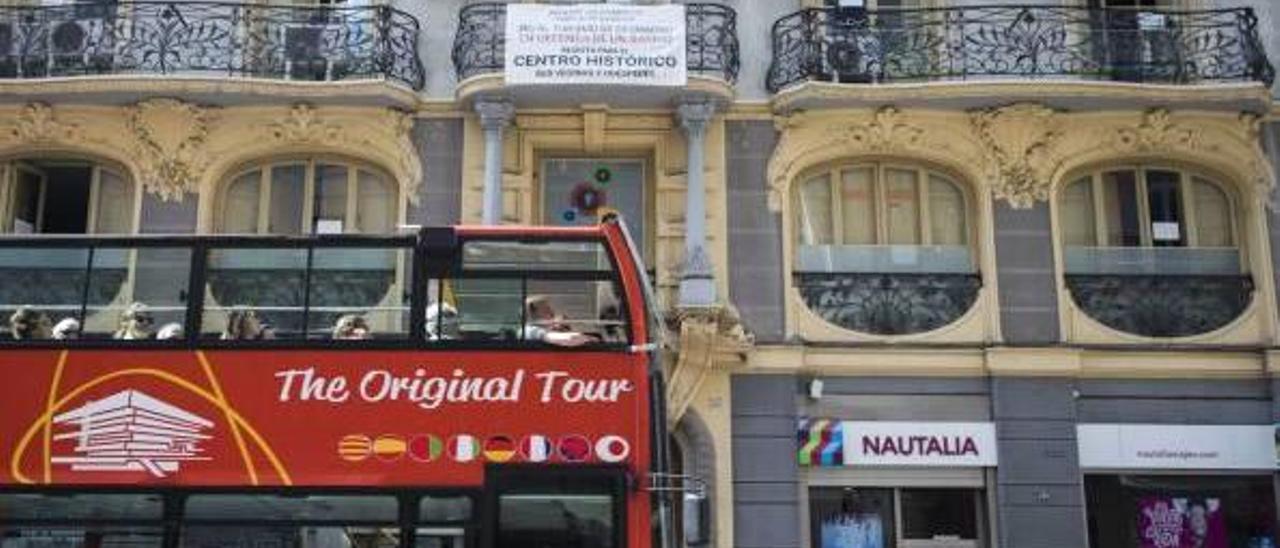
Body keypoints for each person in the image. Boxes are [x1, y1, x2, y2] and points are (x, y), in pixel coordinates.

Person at [523, 295, 595, 347]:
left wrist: (562, 328)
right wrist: (588, 339)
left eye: (550, 309)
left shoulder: (543, 329)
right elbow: (568, 339)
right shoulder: (529, 330)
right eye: (546, 310)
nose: (552, 313)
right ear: (533, 313)